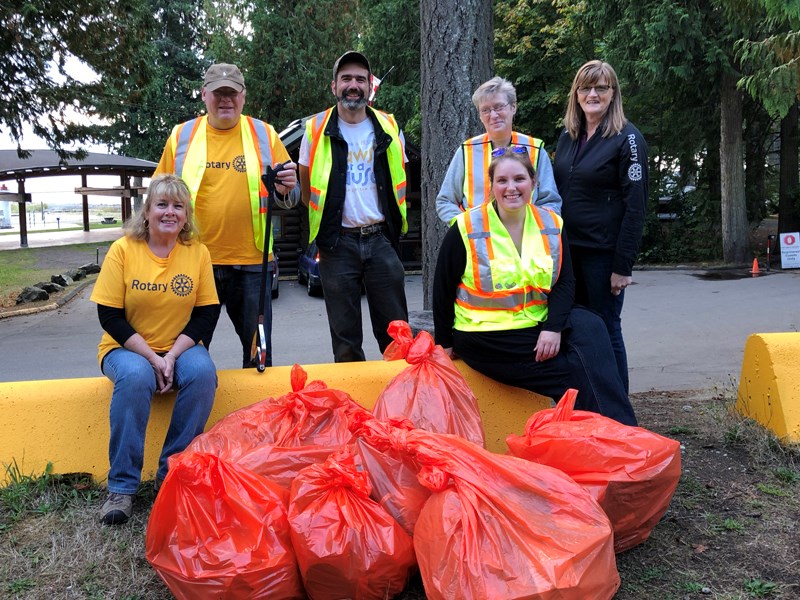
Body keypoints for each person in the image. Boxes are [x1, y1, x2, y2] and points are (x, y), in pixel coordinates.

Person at [433, 149, 636, 426]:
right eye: (502, 180)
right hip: (485, 337)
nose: (511, 188)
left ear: (533, 182)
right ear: (491, 185)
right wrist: (444, 344)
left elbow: (565, 282)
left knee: (591, 324)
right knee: (579, 374)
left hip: (535, 325)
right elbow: (442, 287)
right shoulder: (467, 227)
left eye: (519, 179)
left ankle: (622, 433)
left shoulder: (551, 223)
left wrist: (553, 328)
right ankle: (618, 437)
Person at [91, 174, 219, 525]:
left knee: (204, 373)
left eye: (178, 206)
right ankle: (121, 488)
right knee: (134, 378)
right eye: (162, 204)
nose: (170, 212)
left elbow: (207, 313)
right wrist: (152, 358)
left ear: (186, 216)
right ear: (146, 211)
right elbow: (110, 316)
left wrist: (172, 357)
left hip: (179, 346)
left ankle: (171, 476)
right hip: (126, 348)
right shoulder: (123, 249)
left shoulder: (198, 253)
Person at [154, 63, 299, 368]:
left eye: (232, 93)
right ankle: (195, 411)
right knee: (185, 354)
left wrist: (287, 189)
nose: (225, 100)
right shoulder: (182, 136)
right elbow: (157, 198)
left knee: (259, 354)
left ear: (243, 96)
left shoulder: (264, 135)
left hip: (252, 266)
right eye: (218, 93)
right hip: (193, 263)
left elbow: (291, 195)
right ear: (204, 94)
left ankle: (258, 415)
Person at [298, 51, 408, 362]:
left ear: (370, 87)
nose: (353, 85)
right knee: (345, 340)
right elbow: (306, 188)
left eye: (360, 79)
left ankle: (400, 403)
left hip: (381, 240)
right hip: (337, 244)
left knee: (397, 335)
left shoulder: (388, 126)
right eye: (346, 78)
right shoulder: (316, 129)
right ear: (334, 86)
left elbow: (400, 175)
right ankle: (353, 409)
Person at [553, 60, 648, 393]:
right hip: (567, 252)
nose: (592, 94)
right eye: (585, 87)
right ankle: (588, 403)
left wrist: (622, 266)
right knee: (574, 328)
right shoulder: (568, 136)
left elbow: (636, 208)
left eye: (601, 87)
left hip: (602, 255)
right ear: (576, 94)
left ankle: (618, 409)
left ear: (613, 93)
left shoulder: (628, 139)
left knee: (606, 329)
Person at [436, 76, 561, 226]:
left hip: (524, 241)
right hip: (478, 241)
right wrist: (465, 227)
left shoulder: (535, 149)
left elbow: (551, 202)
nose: (493, 115)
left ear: (513, 107)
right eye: (486, 110)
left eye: (499, 107)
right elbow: (445, 201)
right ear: (480, 116)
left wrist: (534, 229)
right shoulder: (467, 151)